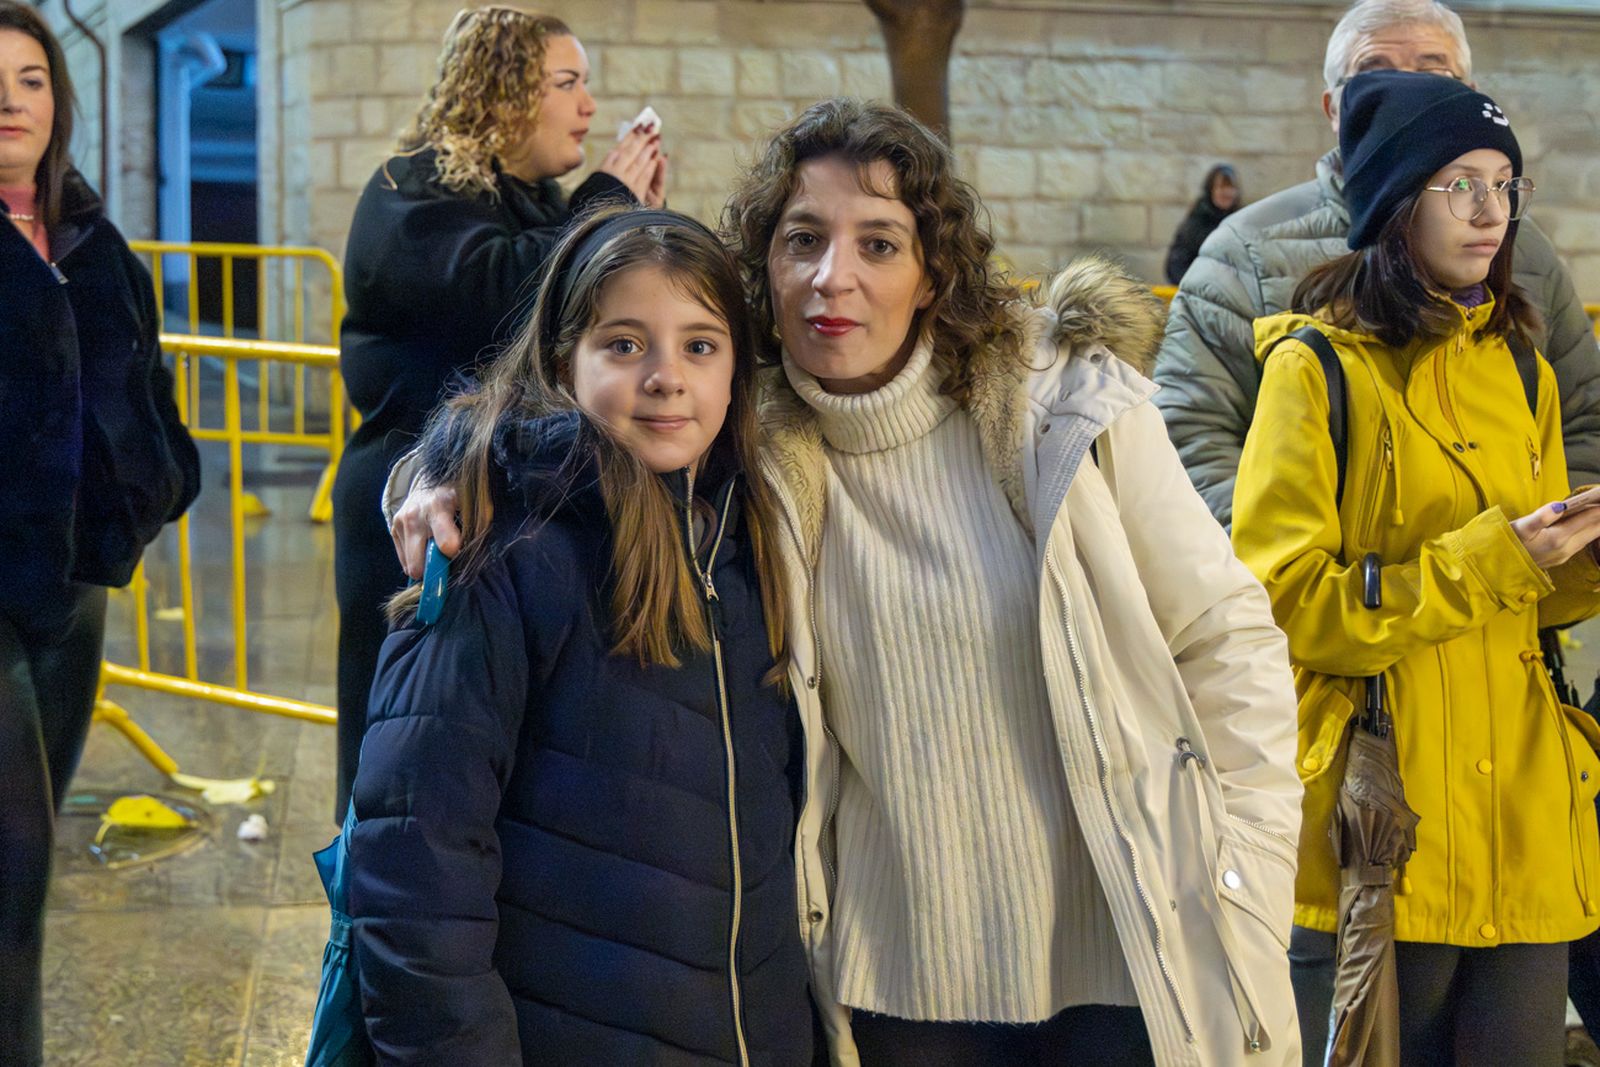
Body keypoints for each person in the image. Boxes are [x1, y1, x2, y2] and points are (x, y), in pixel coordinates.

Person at [394, 98, 1304, 1066]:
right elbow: (562, 417)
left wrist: (1248, 867)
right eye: (803, 240)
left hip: (1127, 959)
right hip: (897, 996)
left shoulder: (1063, 405)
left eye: (878, 243)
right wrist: (432, 472)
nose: (835, 276)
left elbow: (1224, 633)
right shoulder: (743, 439)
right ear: (765, 269)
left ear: (930, 273)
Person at [345, 208, 813, 1064]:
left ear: (737, 371)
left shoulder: (751, 541)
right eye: (625, 344)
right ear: (566, 362)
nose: (666, 377)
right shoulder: (497, 550)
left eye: (700, 346)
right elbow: (414, 866)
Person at [1232, 71, 1600, 1067]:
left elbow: (1531, 602)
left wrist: (1583, 560)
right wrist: (1497, 556)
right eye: (1459, 184)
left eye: (1504, 185)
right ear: (1397, 200)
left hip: (1525, 820)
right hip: (1386, 826)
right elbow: (1286, 603)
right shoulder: (1315, 371)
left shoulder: (1521, 365)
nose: (1490, 211)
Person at [330, 5, 669, 823]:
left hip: (506, 502)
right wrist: (605, 202)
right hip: (414, 501)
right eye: (567, 83)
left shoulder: (530, 198)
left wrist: (627, 227)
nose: (588, 105)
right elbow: (505, 297)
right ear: (505, 91)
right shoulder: (412, 189)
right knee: (409, 760)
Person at [1153, 0, 1600, 530]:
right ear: (1334, 108)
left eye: (1433, 75)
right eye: (1373, 76)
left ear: (1470, 97)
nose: (1404, 95)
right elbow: (1192, 433)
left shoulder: (1522, 251)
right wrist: (1285, 555)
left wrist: (1551, 545)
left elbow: (1583, 417)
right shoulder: (1245, 251)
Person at [0, 4, 200, 1064]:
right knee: (14, 858)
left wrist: (162, 478)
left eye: (31, 80)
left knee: (22, 881)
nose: (10, 102)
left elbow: (145, 383)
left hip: (74, 589)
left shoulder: (93, 239)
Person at [1164, 164, 1241, 284]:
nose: (1226, 193)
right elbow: (1176, 266)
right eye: (1221, 187)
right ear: (1211, 190)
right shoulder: (1195, 223)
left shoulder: (1240, 221)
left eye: (1230, 188)